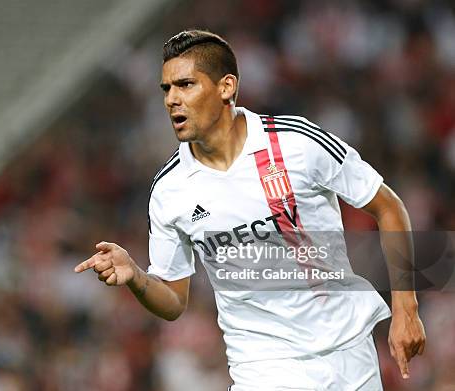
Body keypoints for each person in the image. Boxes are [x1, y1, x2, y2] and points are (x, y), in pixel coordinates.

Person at [74, 30, 426, 390]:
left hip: (347, 354)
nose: (172, 100)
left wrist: (405, 308)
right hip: (262, 367)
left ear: (226, 87)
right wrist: (136, 277)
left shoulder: (296, 143)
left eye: (185, 85)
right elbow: (174, 300)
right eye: (166, 89)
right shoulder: (169, 190)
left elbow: (389, 208)